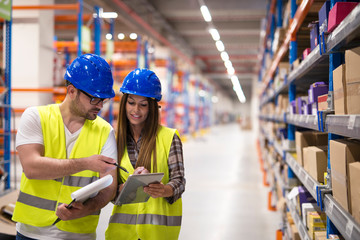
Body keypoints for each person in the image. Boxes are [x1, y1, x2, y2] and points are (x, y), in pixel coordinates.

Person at [12, 53, 118, 240]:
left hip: (79, 234)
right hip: (31, 233)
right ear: (71, 91)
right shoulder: (36, 117)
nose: (100, 105)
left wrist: (87, 208)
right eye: (94, 99)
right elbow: (32, 168)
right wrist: (85, 163)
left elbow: (109, 186)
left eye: (104, 100)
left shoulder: (105, 131)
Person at [105, 68, 186, 240]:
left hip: (157, 234)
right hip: (122, 234)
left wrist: (164, 190)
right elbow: (110, 192)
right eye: (131, 103)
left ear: (152, 108)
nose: (136, 110)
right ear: (124, 103)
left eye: (143, 105)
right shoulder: (114, 139)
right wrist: (125, 187)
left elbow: (179, 181)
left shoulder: (169, 137)